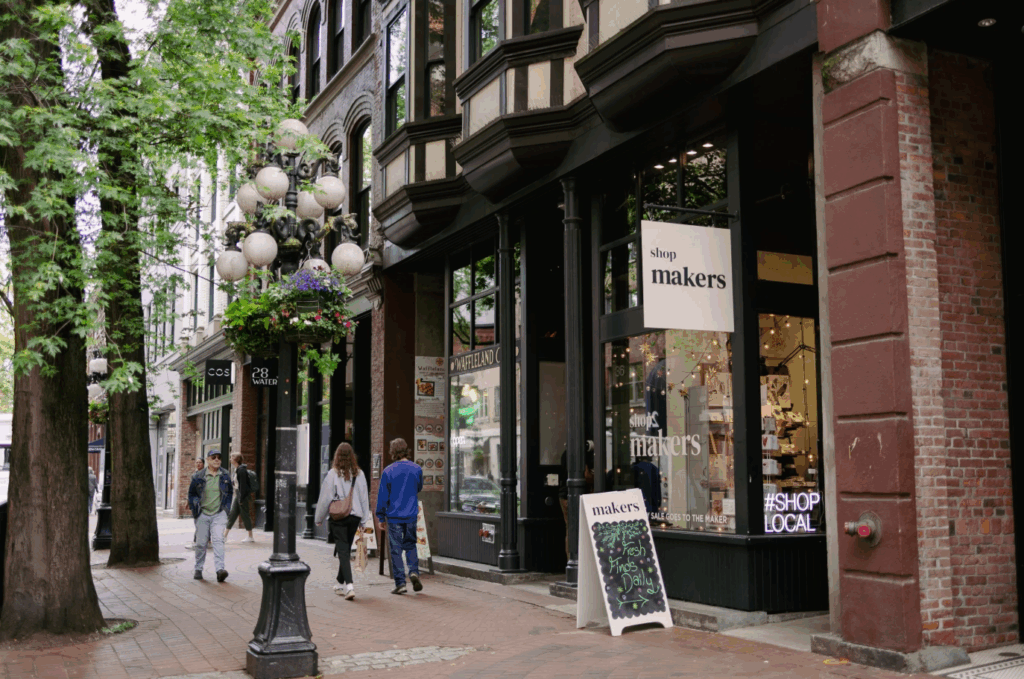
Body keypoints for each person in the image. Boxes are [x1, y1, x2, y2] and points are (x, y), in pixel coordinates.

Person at [315, 443, 371, 600]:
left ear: (337, 456)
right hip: (354, 517)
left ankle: (350, 586)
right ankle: (340, 583)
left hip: (338, 517)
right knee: (344, 550)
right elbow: (364, 497)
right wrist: (364, 519)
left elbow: (325, 498)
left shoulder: (333, 474)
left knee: (343, 551)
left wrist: (319, 518)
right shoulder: (359, 474)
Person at [375, 438, 423, 595]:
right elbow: (419, 487)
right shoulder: (416, 469)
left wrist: (381, 517)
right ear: (406, 450)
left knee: (395, 549)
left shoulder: (388, 471)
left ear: (393, 452)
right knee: (410, 544)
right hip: (410, 515)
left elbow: (383, 496)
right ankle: (414, 571)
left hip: (394, 516)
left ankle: (401, 583)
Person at [187, 450, 232, 582]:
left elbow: (229, 493)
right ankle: (198, 569)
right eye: (213, 457)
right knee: (201, 543)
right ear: (208, 460)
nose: (217, 460)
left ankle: (220, 570)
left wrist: (226, 509)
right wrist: (195, 506)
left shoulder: (225, 475)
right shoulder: (199, 476)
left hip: (219, 514)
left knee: (218, 541)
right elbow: (192, 494)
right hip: (203, 514)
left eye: (219, 458)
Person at [224, 452, 255, 543]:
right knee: (232, 515)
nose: (230, 459)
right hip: (238, 495)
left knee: (245, 515)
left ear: (236, 459)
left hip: (242, 496)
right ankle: (224, 536)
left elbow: (243, 486)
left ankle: (250, 536)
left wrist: (241, 499)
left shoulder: (241, 470)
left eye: (231, 458)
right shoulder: (237, 469)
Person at [187, 458, 206, 550]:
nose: (198, 464)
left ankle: (196, 541)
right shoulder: (194, 475)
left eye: (200, 462)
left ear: (203, 464)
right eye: (197, 462)